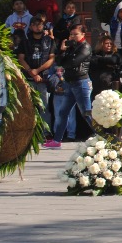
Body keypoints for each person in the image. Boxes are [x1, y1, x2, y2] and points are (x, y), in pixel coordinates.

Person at [18, 16, 58, 148]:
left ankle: (45, 133)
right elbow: (21, 58)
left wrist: (38, 71)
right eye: (34, 24)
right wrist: (31, 71)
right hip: (28, 78)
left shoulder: (49, 41)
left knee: (44, 107)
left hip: (43, 78)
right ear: (30, 27)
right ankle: (28, 134)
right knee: (28, 107)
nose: (37, 27)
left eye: (39, 24)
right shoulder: (25, 41)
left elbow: (51, 59)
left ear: (43, 26)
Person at [51, 24, 92, 146]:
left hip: (81, 82)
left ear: (83, 34)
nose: (73, 36)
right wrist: (62, 50)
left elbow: (73, 63)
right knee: (63, 112)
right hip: (70, 82)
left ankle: (104, 136)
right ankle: (57, 140)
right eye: (71, 34)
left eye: (76, 34)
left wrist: (64, 61)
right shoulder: (71, 46)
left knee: (86, 113)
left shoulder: (85, 47)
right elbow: (58, 61)